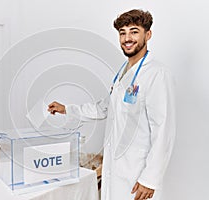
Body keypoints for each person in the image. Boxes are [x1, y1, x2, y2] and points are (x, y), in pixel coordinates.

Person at [47, 9, 176, 200]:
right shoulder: (124, 71)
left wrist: (150, 179)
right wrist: (67, 109)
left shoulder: (157, 74)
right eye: (122, 33)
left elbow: (164, 130)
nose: (127, 38)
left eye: (134, 31)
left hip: (138, 171)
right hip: (116, 168)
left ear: (147, 35)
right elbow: (105, 108)